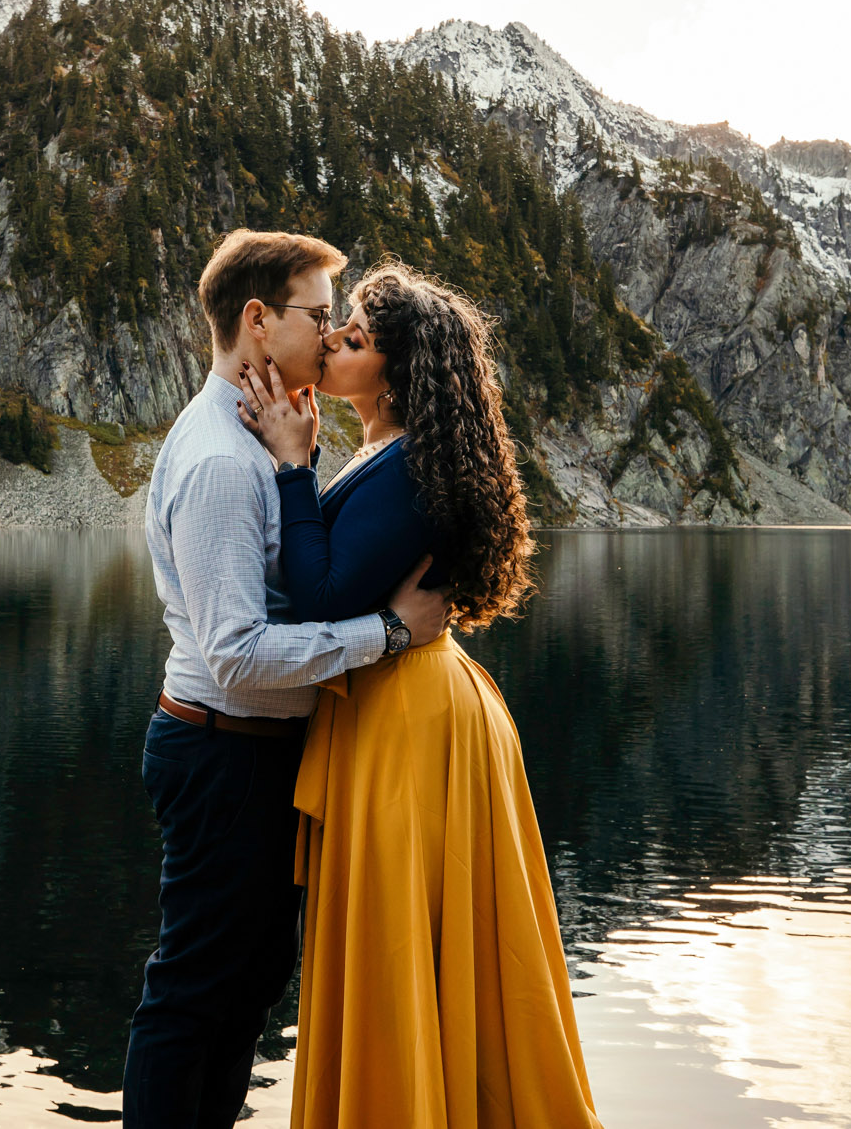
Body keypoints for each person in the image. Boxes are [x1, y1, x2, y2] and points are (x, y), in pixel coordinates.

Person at [235, 261, 603, 1129]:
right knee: (426, 943)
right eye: (338, 326)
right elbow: (348, 571)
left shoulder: (409, 470)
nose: (331, 340)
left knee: (399, 939)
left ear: (395, 376)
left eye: (353, 338)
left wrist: (292, 467)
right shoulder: (394, 453)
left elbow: (324, 595)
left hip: (408, 720)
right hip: (414, 705)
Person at [123, 231, 452, 1129]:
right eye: (320, 314)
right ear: (259, 322)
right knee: (193, 994)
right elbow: (235, 651)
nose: (334, 329)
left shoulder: (260, 436)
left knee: (244, 990)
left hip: (258, 755)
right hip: (223, 751)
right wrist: (385, 632)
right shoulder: (225, 464)